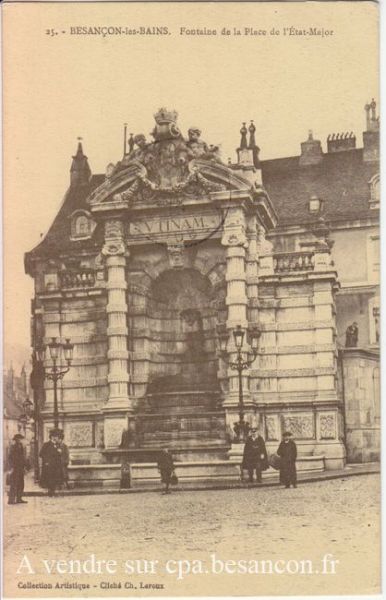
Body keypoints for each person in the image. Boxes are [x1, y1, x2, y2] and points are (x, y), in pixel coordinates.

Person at [39, 428, 64, 496]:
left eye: (57, 436)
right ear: (51, 437)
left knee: (55, 478)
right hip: (49, 465)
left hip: (55, 465)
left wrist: (59, 452)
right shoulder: (46, 445)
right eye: (54, 436)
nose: (55, 438)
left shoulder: (57, 445)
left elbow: (58, 456)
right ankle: (50, 492)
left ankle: (53, 491)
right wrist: (46, 461)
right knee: (49, 478)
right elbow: (41, 454)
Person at [7, 434, 28, 505]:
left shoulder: (21, 446)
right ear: (16, 439)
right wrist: (11, 467)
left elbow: (22, 457)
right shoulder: (13, 446)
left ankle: (19, 498)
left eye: (20, 439)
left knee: (21, 484)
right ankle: (11, 500)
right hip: (15, 467)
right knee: (14, 484)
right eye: (18, 439)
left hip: (20, 467)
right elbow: (10, 457)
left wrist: (25, 466)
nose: (19, 440)